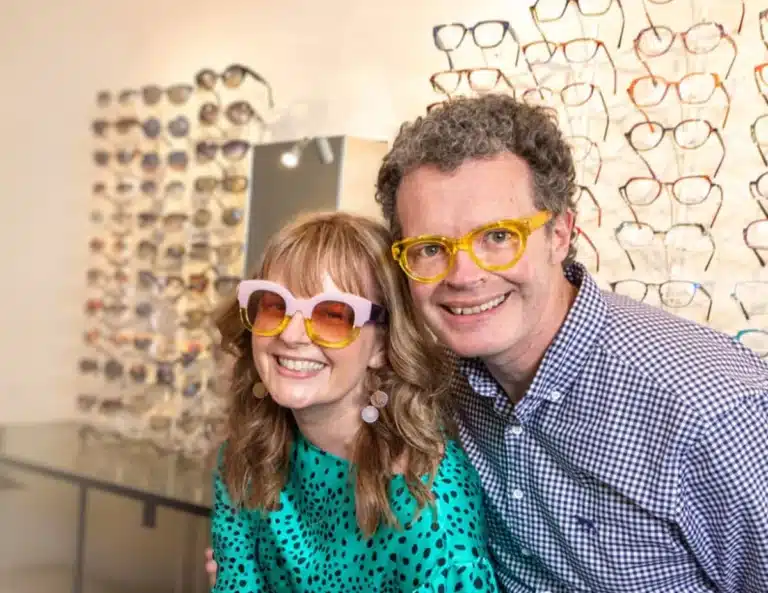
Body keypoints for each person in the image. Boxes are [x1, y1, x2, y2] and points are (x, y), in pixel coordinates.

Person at [208, 94, 768, 592]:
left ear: (561, 233)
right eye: (430, 248)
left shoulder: (711, 408)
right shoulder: (438, 377)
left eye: (497, 238)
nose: (463, 276)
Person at [209, 211, 500, 592]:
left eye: (333, 315)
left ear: (381, 345)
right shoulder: (249, 453)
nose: (292, 335)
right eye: (275, 305)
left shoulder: (426, 509)